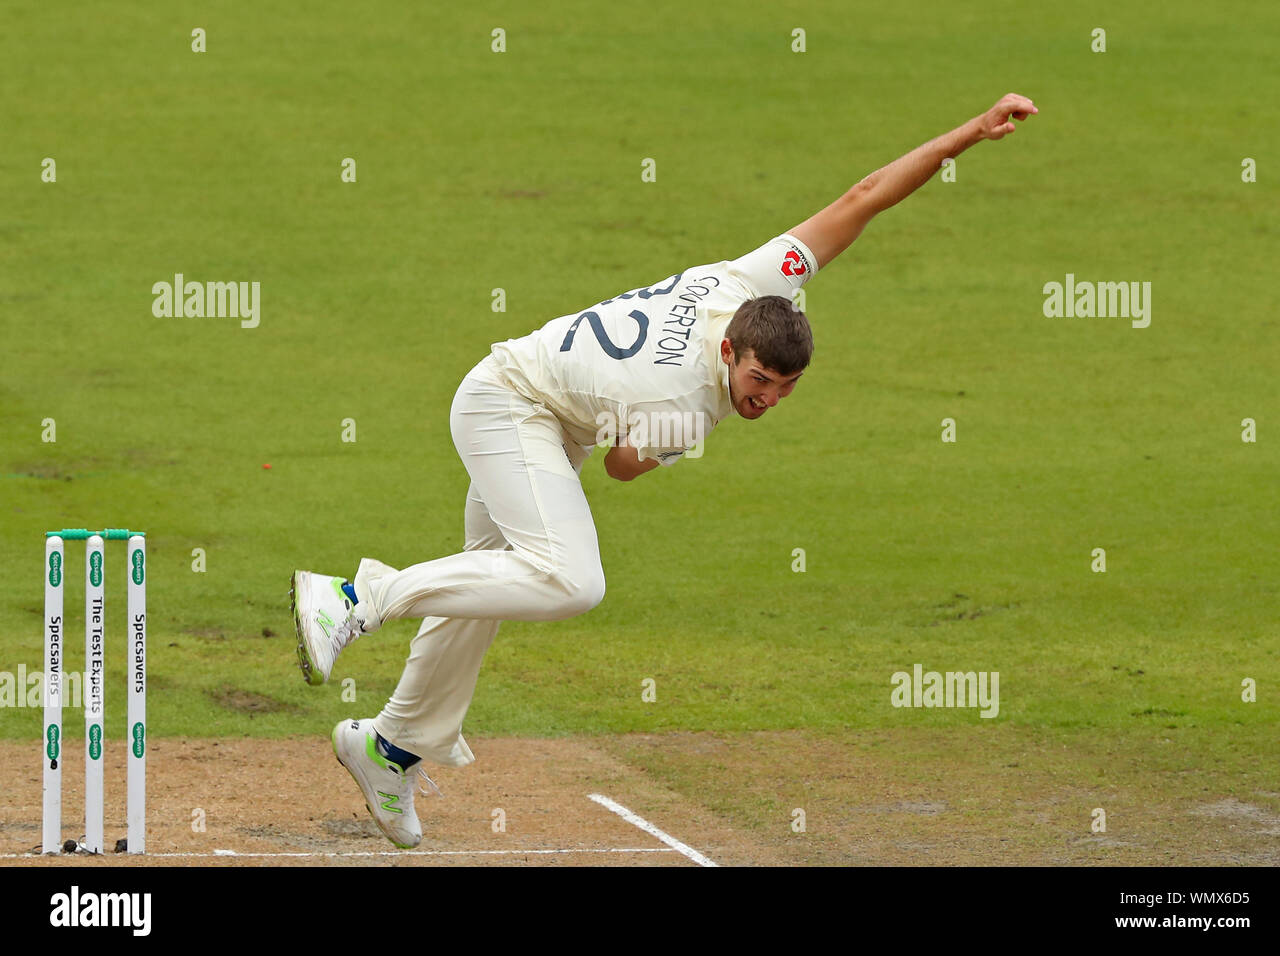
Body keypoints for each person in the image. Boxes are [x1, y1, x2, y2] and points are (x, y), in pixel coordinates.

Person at [290, 93, 1038, 848]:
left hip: (549, 414)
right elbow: (620, 467)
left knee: (488, 586)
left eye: (784, 388)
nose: (766, 398)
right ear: (730, 353)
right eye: (757, 380)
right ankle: (358, 596)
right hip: (507, 406)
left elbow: (864, 197)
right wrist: (674, 441)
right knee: (571, 580)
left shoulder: (751, 281)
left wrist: (972, 133)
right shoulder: (687, 404)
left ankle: (389, 750)